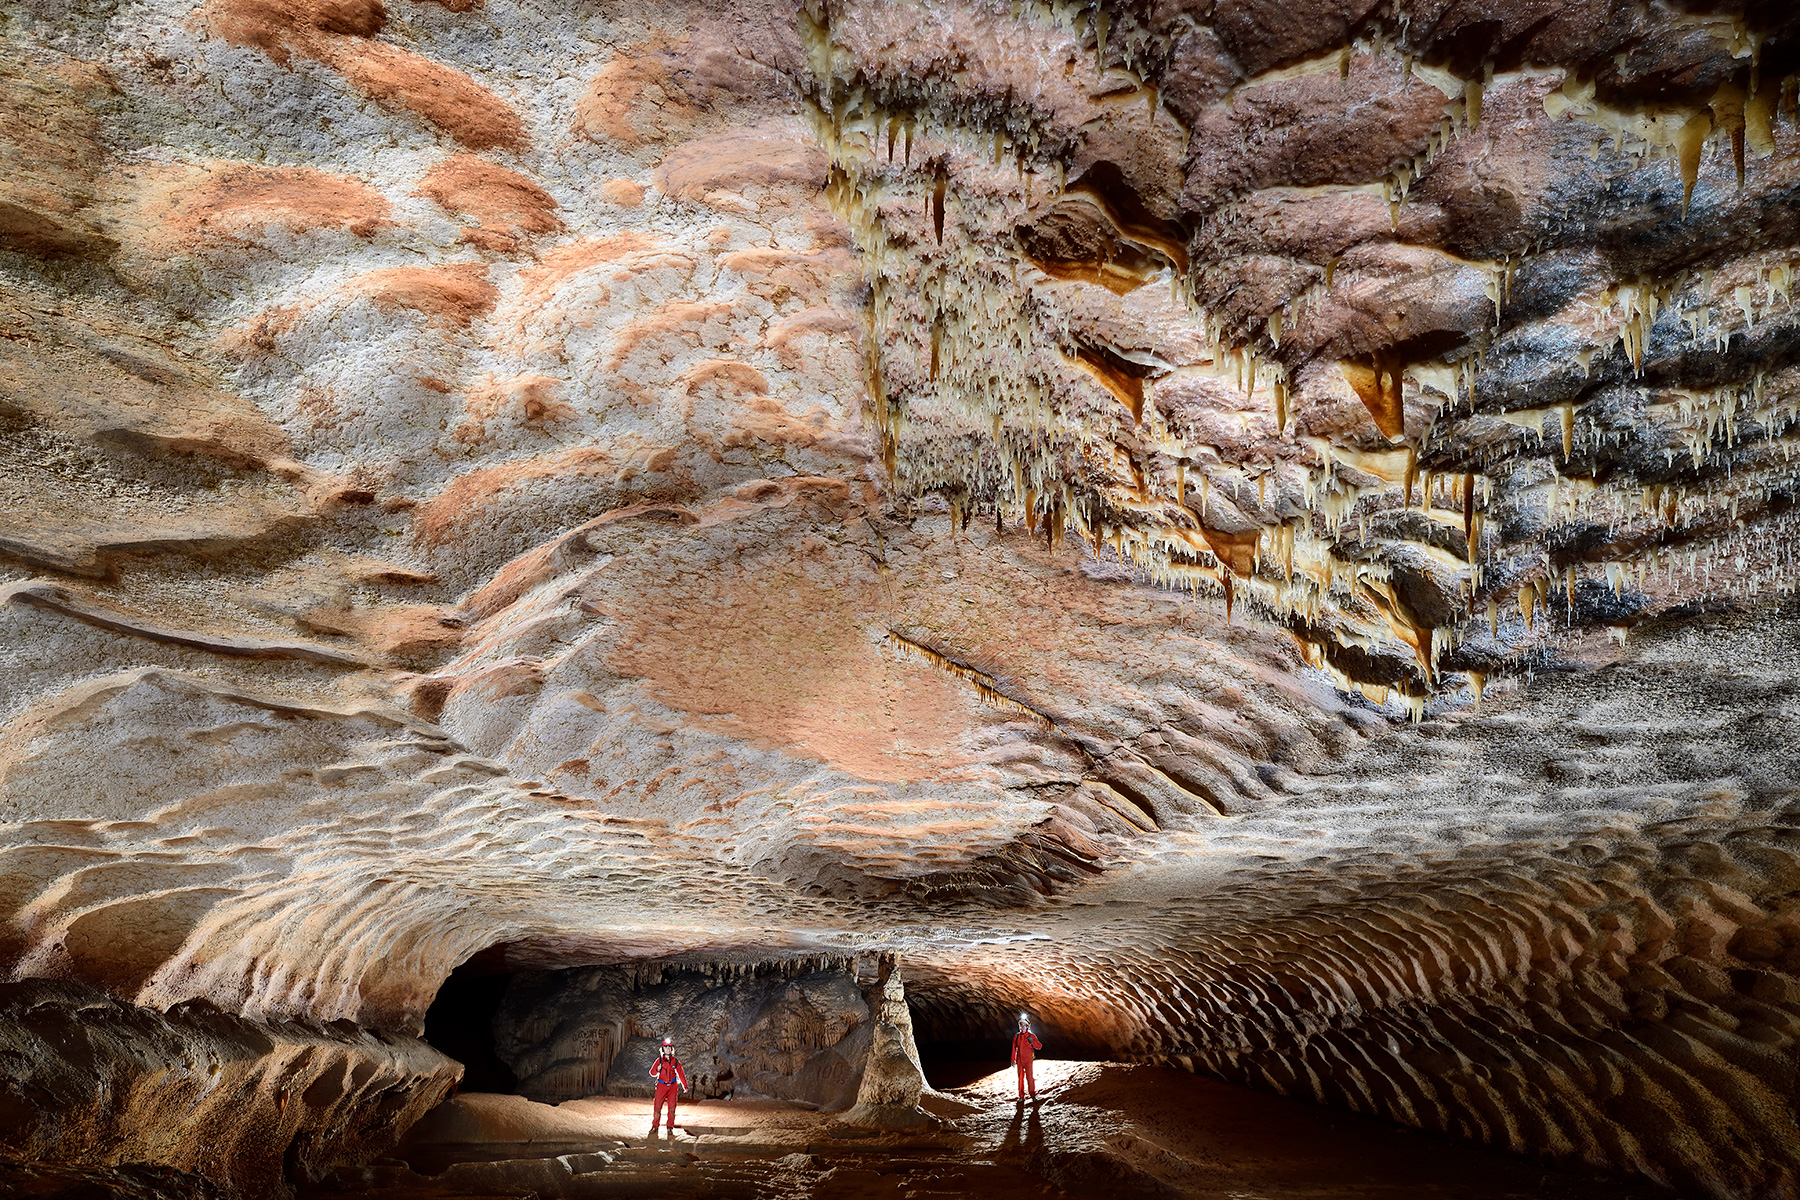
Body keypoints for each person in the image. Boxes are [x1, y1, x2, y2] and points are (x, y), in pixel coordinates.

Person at [647, 1036, 688, 1136]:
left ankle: (670, 1127)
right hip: (661, 1086)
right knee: (657, 1107)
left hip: (672, 1087)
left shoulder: (675, 1061)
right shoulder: (659, 1060)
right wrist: (658, 1069)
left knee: (672, 1108)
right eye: (666, 1047)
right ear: (663, 1049)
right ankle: (654, 1126)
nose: (668, 1049)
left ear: (672, 1049)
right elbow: (652, 1072)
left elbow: (681, 1073)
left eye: (669, 1048)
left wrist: (685, 1086)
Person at [1011, 1013, 1042, 1101]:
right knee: (1020, 1078)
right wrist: (1013, 1060)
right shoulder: (1017, 1036)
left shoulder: (1031, 1036)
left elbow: (1039, 1046)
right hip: (1020, 1060)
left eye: (1025, 1025)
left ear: (1028, 1026)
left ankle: (1032, 1094)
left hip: (1028, 1060)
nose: (1023, 1026)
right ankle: (1021, 1096)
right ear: (1020, 1026)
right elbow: (1014, 1048)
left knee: (1030, 1077)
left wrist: (1032, 1042)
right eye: (1021, 1025)